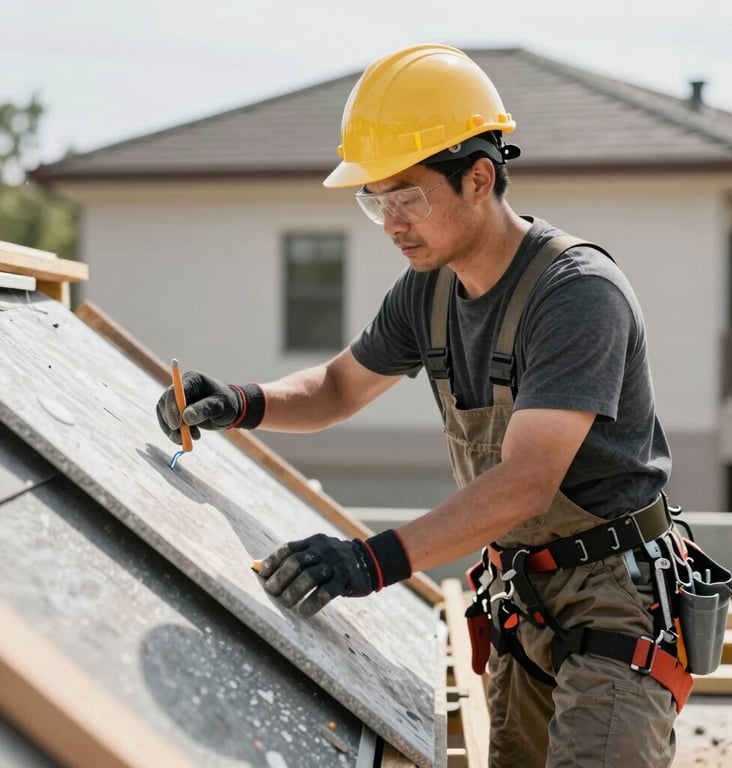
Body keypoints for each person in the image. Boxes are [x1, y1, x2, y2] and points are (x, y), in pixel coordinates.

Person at [157, 44, 691, 767]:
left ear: (478, 178)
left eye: (406, 195)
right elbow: (340, 387)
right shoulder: (428, 291)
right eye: (375, 198)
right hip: (522, 598)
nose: (391, 221)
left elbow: (528, 480)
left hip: (612, 600)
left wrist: (367, 562)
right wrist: (242, 401)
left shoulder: (576, 294)